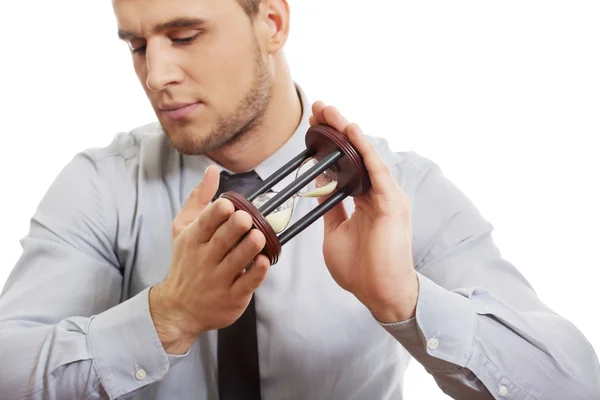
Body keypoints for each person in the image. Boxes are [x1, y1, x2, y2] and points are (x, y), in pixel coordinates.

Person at [0, 0, 598, 398]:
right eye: (136, 46)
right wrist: (167, 317)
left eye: (184, 36)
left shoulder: (400, 194)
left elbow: (575, 383)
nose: (156, 75)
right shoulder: (102, 186)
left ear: (273, 23)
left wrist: (405, 300)